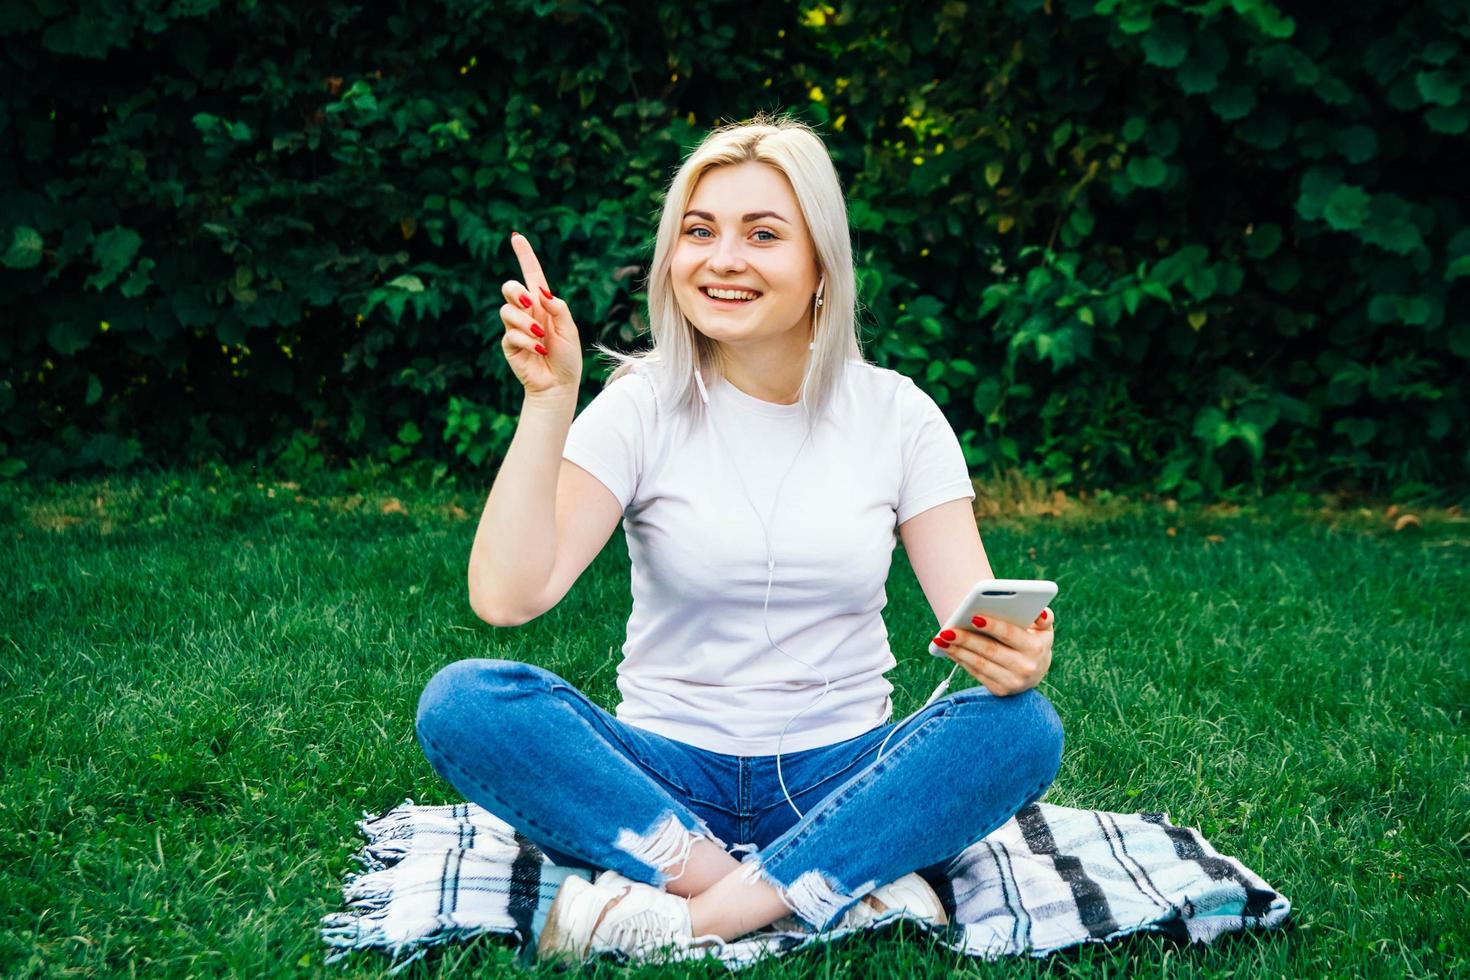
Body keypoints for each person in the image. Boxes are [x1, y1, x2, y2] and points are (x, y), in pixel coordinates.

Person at [414, 111, 1064, 966]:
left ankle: (694, 917)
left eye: (762, 234)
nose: (723, 259)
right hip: (664, 777)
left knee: (1021, 729)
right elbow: (507, 596)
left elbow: (974, 617)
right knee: (465, 702)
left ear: (821, 268)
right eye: (699, 231)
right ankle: (812, 882)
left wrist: (1018, 655)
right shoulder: (641, 405)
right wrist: (549, 400)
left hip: (844, 769)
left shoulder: (897, 415)